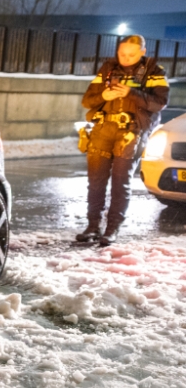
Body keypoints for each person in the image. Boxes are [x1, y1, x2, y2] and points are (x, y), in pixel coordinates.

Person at [76, 34, 169, 245]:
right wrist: (103, 97)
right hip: (103, 129)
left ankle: (112, 229)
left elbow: (159, 103)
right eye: (122, 53)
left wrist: (130, 93)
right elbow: (87, 101)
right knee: (96, 182)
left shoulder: (154, 73)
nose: (125, 58)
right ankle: (92, 226)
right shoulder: (107, 69)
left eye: (131, 54)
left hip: (131, 133)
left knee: (120, 182)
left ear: (143, 52)